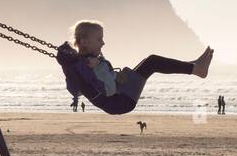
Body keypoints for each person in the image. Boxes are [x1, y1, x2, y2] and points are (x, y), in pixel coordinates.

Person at [56, 21, 212, 115]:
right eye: (99, 39)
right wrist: (98, 69)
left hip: (119, 96)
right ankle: (196, 69)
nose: (103, 43)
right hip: (121, 101)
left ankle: (193, 66)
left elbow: (82, 85)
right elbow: (99, 90)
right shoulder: (85, 65)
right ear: (84, 42)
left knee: (147, 61)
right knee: (152, 62)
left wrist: (98, 66)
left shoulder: (84, 62)